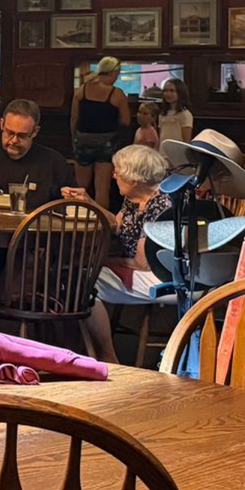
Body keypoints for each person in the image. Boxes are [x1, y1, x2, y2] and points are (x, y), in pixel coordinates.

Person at [83, 145, 174, 364]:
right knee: (80, 278)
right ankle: (88, 352)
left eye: (118, 172)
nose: (113, 175)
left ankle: (106, 355)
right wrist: (89, 201)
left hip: (162, 276)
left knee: (83, 285)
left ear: (134, 179)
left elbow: (142, 263)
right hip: (140, 269)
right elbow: (116, 224)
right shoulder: (134, 198)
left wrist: (101, 261)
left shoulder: (162, 206)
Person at [0, 98, 83, 202]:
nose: (14, 140)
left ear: (34, 132)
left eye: (21, 136)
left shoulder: (53, 162)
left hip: (36, 230)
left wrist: (78, 199)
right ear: (2, 124)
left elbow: (73, 205)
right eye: (9, 133)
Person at [71, 57, 131, 209]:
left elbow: (74, 119)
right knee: (102, 189)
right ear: (114, 72)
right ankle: (100, 227)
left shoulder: (81, 91)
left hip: (82, 140)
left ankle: (76, 223)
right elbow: (126, 121)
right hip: (106, 142)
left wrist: (75, 139)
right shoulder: (116, 94)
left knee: (80, 188)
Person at [157, 78, 194, 146]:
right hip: (163, 152)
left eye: (172, 91)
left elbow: (186, 140)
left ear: (180, 93)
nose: (168, 94)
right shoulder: (162, 114)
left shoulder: (185, 114)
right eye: (165, 91)